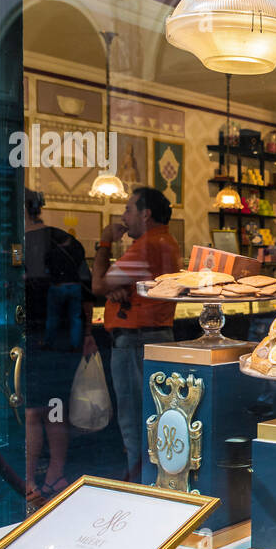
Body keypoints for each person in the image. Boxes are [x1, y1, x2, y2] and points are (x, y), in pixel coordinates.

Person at [91, 186, 182, 483]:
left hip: (135, 341)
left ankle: (138, 482)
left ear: (146, 214)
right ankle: (155, 478)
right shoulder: (167, 241)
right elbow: (114, 284)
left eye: (128, 209)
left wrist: (105, 241)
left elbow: (98, 285)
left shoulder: (146, 244)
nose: (123, 216)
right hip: (157, 336)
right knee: (157, 415)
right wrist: (119, 286)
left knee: (134, 419)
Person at [23, 189, 93, 508]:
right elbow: (87, 296)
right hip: (64, 341)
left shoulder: (15, 244)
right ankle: (54, 475)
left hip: (35, 340)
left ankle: (29, 481)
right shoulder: (65, 241)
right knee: (54, 409)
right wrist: (87, 335)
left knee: (34, 412)